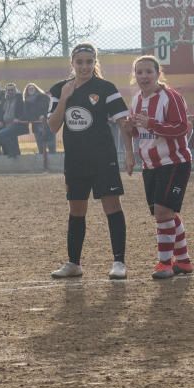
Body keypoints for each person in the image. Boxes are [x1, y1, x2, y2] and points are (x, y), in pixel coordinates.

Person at [47, 42, 135, 280]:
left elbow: (123, 123)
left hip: (103, 159)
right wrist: (65, 98)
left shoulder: (106, 88)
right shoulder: (58, 89)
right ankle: (74, 263)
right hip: (75, 161)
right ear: (72, 64)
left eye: (89, 62)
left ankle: (119, 262)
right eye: (80, 62)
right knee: (76, 210)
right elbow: (53, 126)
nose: (84, 66)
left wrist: (129, 153)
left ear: (95, 63)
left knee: (112, 207)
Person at [128, 55, 194, 279]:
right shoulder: (136, 99)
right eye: (139, 72)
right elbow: (139, 132)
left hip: (174, 162)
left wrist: (151, 124)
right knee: (167, 213)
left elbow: (181, 128)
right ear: (134, 75)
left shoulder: (170, 97)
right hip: (150, 165)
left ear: (158, 73)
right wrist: (132, 129)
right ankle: (183, 261)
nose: (144, 76)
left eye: (148, 71)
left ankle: (165, 263)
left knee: (163, 212)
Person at [0, 83, 28, 157]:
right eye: (8, 90)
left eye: (12, 90)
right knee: (12, 139)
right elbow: (2, 112)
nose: (10, 91)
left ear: (15, 90)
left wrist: (19, 119)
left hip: (17, 124)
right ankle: (16, 155)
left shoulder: (21, 98)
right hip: (7, 125)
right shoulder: (5, 99)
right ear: (6, 91)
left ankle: (13, 151)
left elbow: (25, 111)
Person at [23, 83, 55, 155]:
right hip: (36, 124)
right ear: (27, 91)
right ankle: (41, 163)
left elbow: (49, 108)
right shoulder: (26, 101)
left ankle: (54, 162)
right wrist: (34, 118)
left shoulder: (43, 97)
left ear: (36, 89)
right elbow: (27, 114)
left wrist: (44, 115)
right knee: (40, 145)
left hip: (48, 123)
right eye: (29, 89)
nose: (31, 90)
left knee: (51, 145)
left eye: (32, 88)